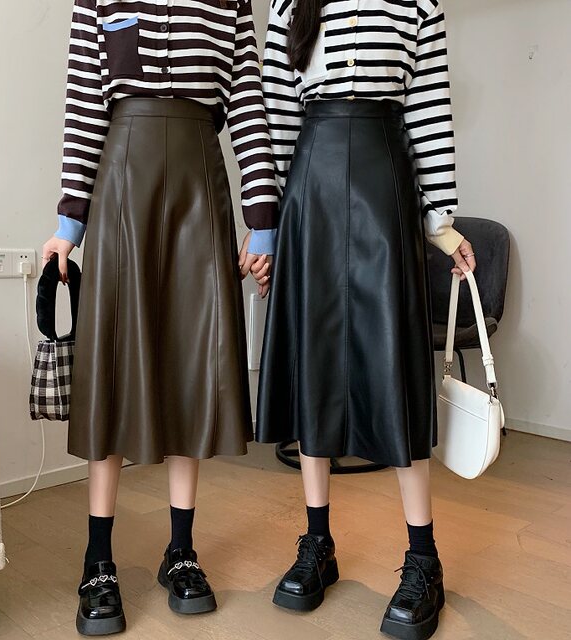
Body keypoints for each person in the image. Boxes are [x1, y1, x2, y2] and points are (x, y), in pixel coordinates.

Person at [42, 0, 276, 635]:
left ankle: (182, 550)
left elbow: (248, 107)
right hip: (123, 180)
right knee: (114, 363)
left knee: (190, 364)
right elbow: (84, 105)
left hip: (201, 182)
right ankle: (98, 560)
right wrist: (70, 222)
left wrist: (262, 221)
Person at [255, 1, 475, 639]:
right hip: (310, 189)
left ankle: (424, 560)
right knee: (315, 364)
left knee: (392, 364)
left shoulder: (417, 6)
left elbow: (430, 110)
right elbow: (275, 119)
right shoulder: (290, 6)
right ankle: (317, 544)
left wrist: (441, 224)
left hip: (385, 186)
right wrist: (270, 230)